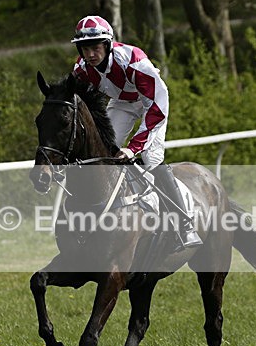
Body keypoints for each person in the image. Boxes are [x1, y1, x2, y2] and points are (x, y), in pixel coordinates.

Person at [70, 15, 201, 250]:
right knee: (104, 153)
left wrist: (133, 148)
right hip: (122, 103)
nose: (91, 54)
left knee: (150, 158)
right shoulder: (81, 70)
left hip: (153, 103)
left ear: (108, 45)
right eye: (85, 49)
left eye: (96, 47)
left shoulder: (133, 60)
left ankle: (185, 223)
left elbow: (157, 108)